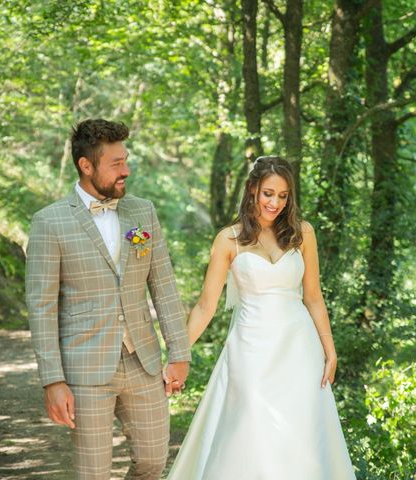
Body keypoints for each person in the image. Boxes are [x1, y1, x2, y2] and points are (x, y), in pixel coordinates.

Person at [168, 156, 355, 479]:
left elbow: (313, 296)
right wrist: (177, 355)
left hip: (299, 349)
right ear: (252, 189)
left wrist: (330, 350)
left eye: (283, 196)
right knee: (250, 427)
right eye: (269, 193)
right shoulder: (229, 240)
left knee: (302, 437)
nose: (275, 203)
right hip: (250, 349)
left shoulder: (303, 233)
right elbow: (205, 307)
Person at [25, 118, 191, 480]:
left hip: (143, 363)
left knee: (152, 462)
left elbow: (163, 285)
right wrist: (53, 380)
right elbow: (42, 307)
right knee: (93, 474)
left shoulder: (141, 212)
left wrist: (179, 352)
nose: (126, 170)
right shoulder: (48, 222)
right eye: (116, 164)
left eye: (125, 160)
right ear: (86, 166)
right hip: (84, 369)